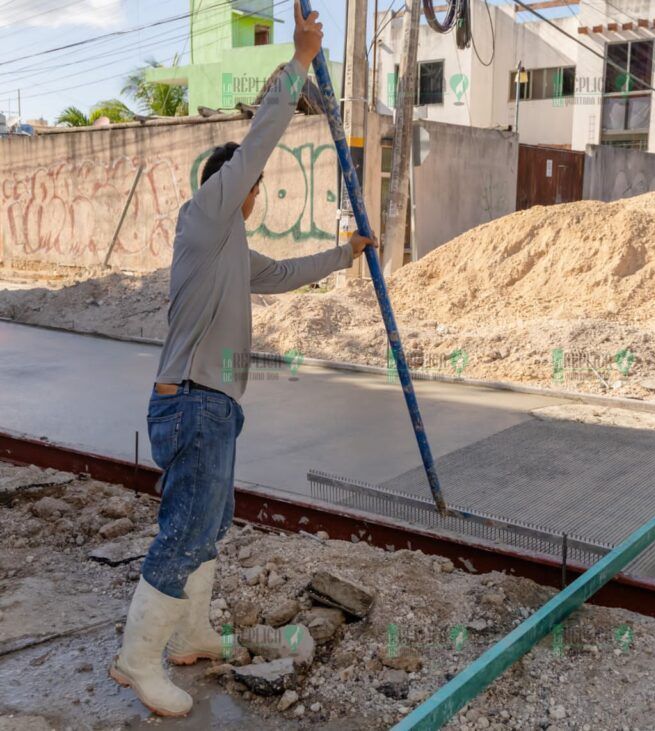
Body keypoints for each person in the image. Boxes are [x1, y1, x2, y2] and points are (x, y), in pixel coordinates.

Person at [109, 3, 376, 717]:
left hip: (215, 404)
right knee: (187, 527)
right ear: (232, 187)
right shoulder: (205, 216)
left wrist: (344, 255)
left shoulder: (230, 248)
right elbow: (255, 146)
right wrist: (297, 64)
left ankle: (190, 633)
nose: (257, 195)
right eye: (252, 187)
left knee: (210, 522)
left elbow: (284, 274)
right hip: (191, 399)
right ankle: (138, 659)